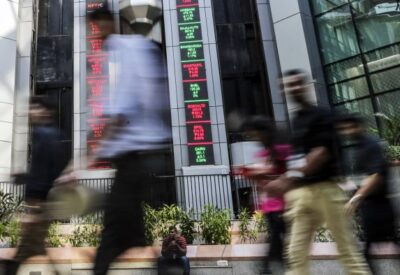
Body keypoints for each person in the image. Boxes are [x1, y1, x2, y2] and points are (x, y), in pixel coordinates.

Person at [70, 7, 171, 275]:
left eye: (96, 27)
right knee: (129, 235)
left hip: (133, 158)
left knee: (112, 235)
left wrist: (82, 164)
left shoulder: (124, 51)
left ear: (107, 23)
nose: (95, 34)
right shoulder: (125, 51)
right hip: (138, 158)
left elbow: (118, 113)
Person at [266, 69, 371, 275]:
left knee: (347, 252)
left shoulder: (323, 115)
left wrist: (286, 180)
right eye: (289, 85)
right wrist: (286, 181)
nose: (293, 88)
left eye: (297, 83)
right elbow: (296, 159)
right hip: (302, 196)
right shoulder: (296, 121)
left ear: (305, 86)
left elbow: (319, 154)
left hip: (326, 190)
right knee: (295, 255)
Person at [1, 96, 69, 275]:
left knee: (26, 251)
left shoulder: (46, 135)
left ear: (46, 112)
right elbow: (51, 170)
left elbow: (45, 173)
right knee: (32, 249)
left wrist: (36, 207)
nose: (31, 112)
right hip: (41, 203)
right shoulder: (49, 135)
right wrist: (23, 177)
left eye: (36, 108)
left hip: (39, 204)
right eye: (31, 108)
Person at [337, 113, 399, 274]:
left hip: (379, 206)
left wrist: (356, 198)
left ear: (358, 126)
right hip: (370, 206)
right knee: (371, 249)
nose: (347, 131)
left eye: (349, 127)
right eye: (344, 128)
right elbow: (365, 176)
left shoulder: (370, 145)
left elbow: (376, 175)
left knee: (377, 247)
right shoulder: (359, 147)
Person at [241, 116, 291, 274]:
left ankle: (266, 270)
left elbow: (293, 174)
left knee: (278, 245)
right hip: (271, 207)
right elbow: (262, 182)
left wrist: (265, 175)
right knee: (278, 244)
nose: (255, 139)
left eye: (255, 134)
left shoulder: (282, 149)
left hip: (285, 205)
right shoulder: (263, 154)